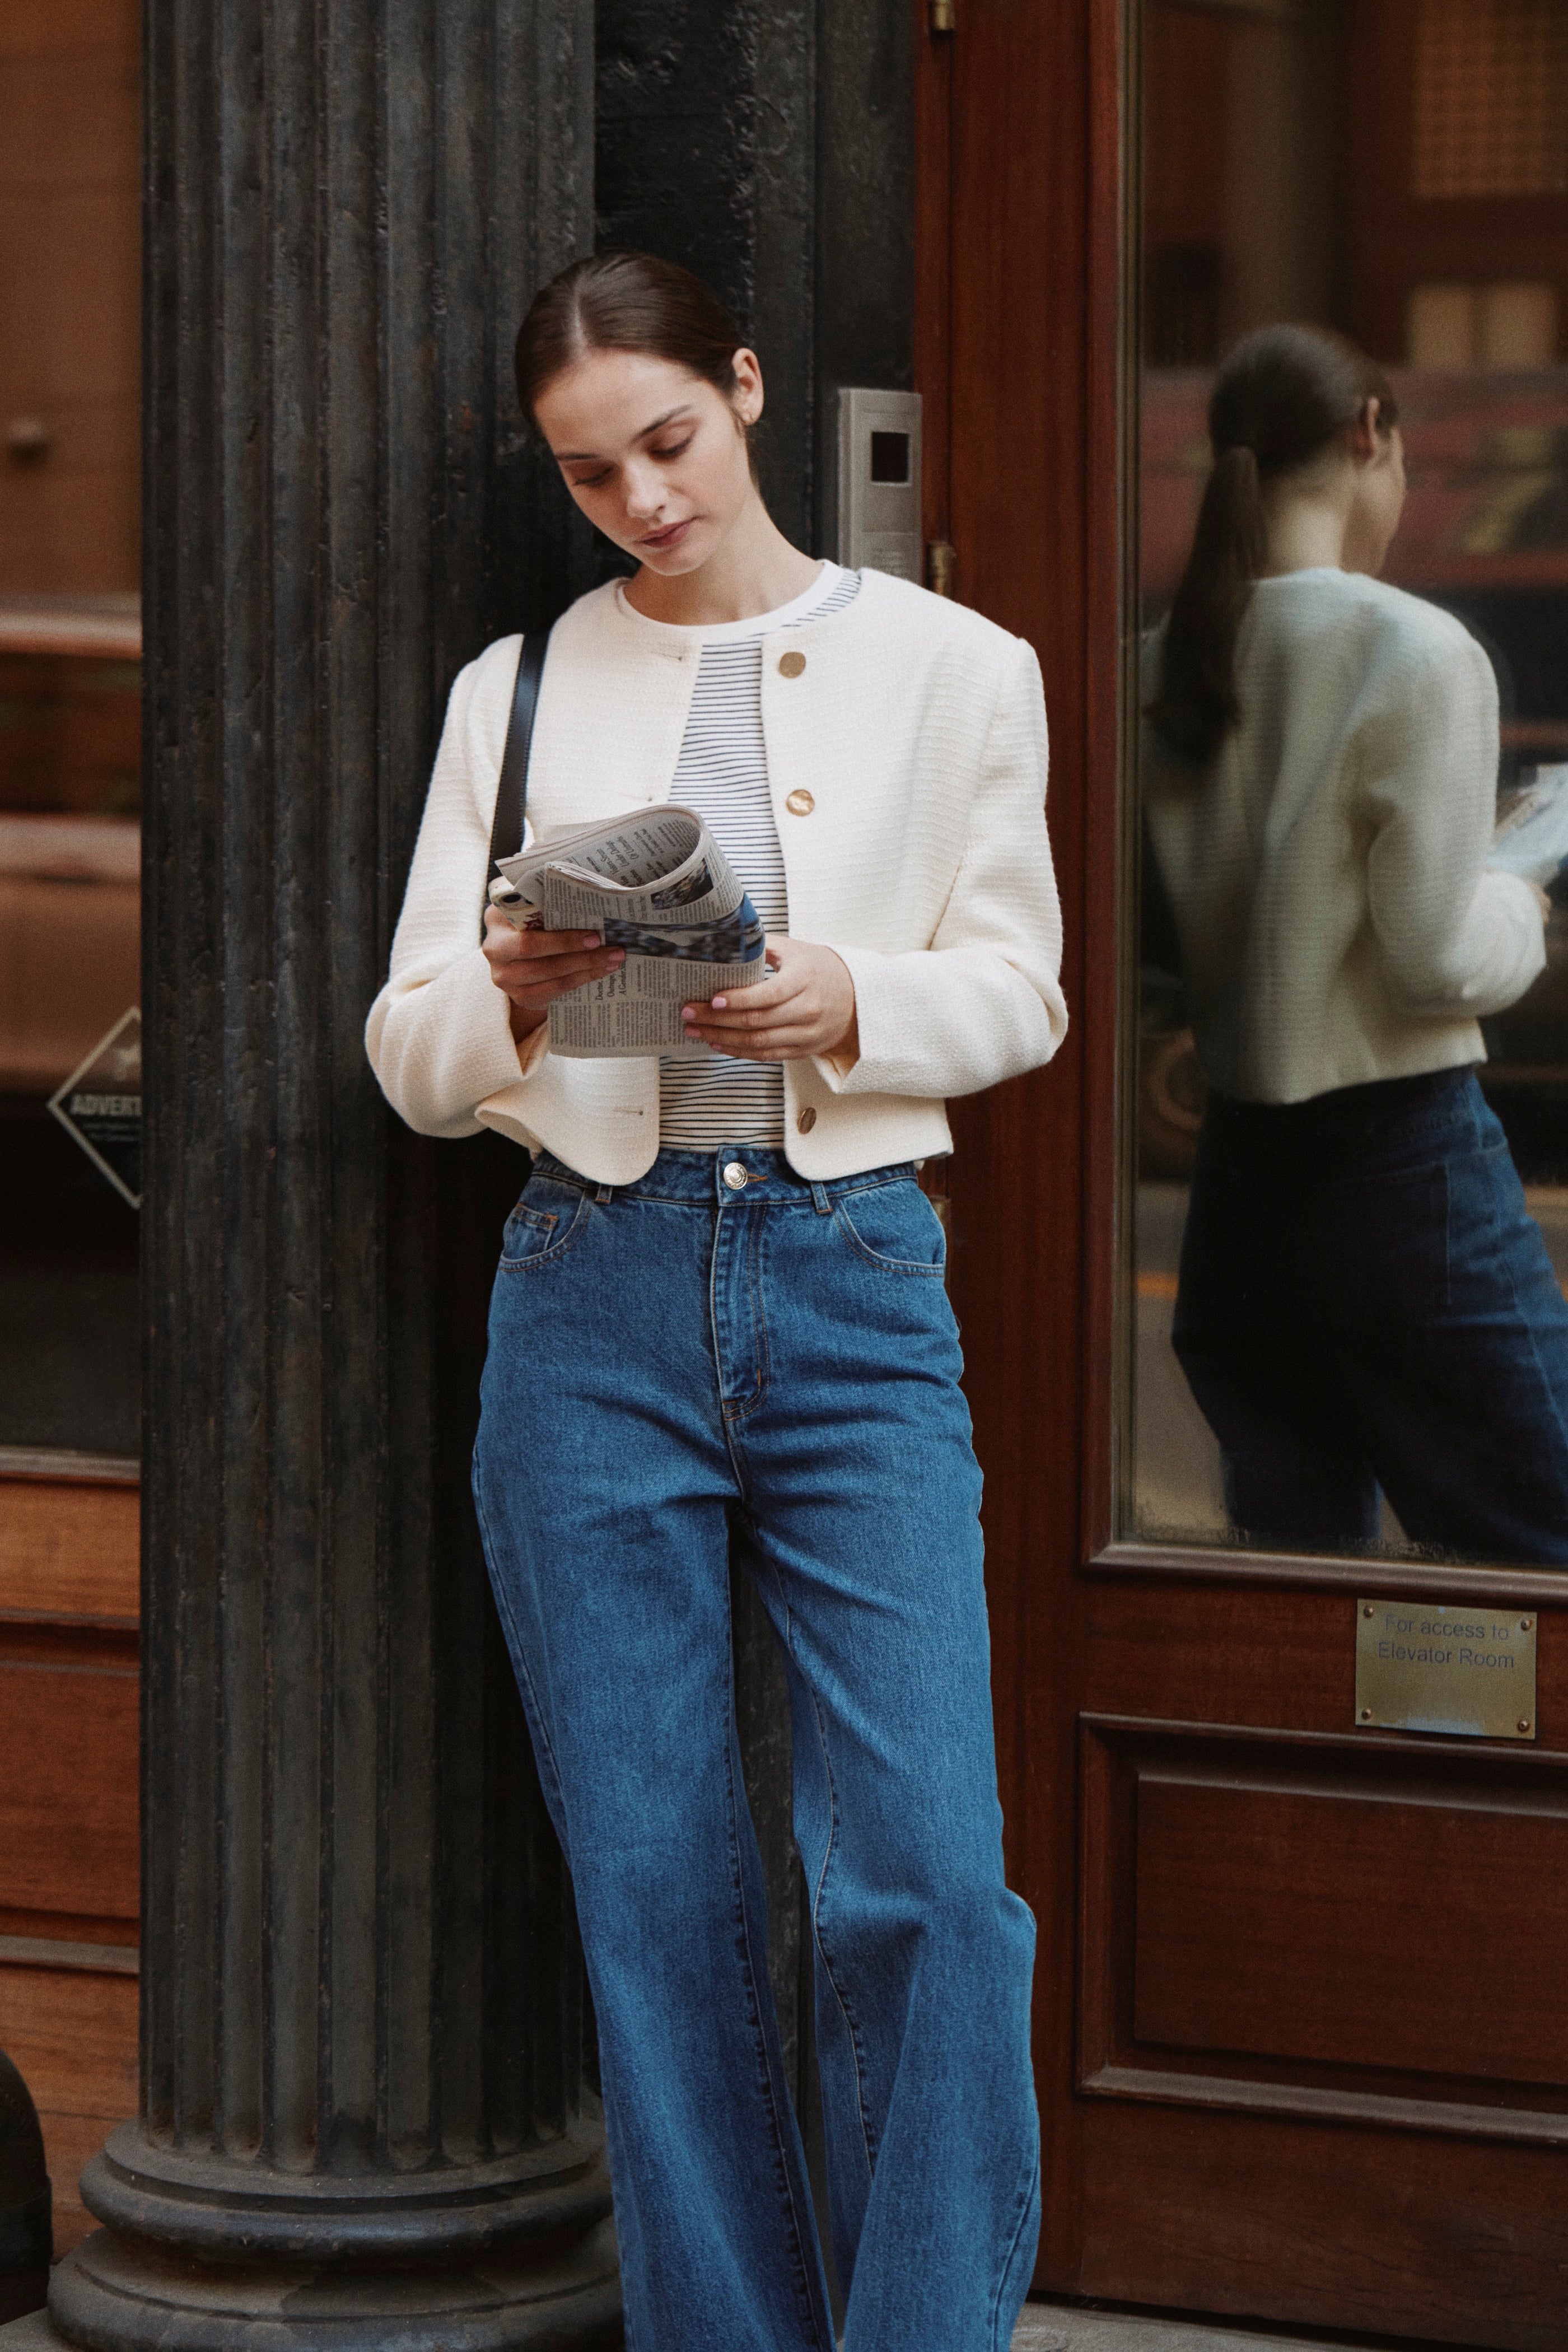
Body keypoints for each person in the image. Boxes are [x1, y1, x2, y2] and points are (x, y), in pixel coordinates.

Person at [366, 250, 1066, 2351]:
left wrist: (860, 998)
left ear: (746, 390)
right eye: (591, 475)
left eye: (667, 443)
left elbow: (1024, 987)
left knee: (927, 1876)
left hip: (854, 1283)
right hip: (593, 1293)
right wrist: (505, 989)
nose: (643, 501)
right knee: (660, 1902)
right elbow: (406, 1054)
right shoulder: (514, 692)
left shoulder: (964, 668)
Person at [1144, 321, 1568, 1561]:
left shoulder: (1153, 667)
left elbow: (1165, 942)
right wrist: (1517, 887)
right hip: (1402, 1166)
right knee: (1538, 1556)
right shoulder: (1416, 649)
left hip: (1238, 1180)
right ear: (1368, 435)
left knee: (1292, 1573)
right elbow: (1438, 955)